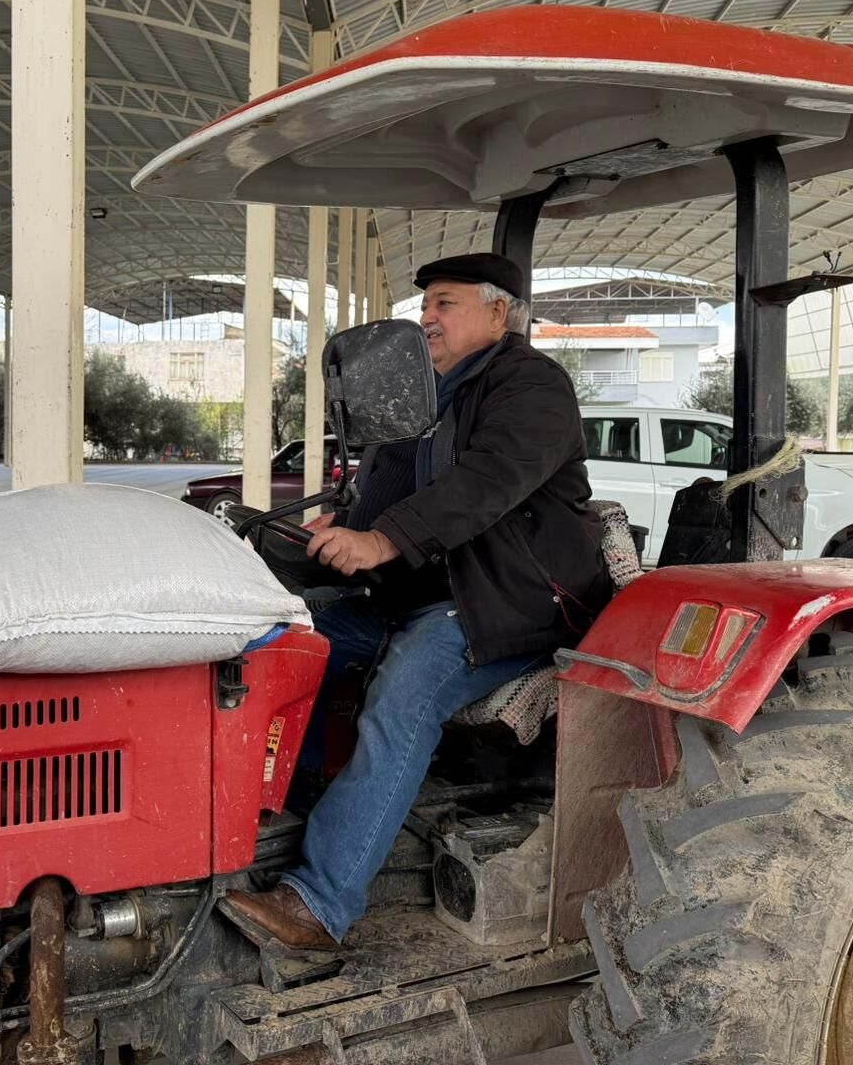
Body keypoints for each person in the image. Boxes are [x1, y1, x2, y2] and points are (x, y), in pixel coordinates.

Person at [222, 251, 613, 950]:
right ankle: (283, 812)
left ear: (499, 311)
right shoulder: (426, 393)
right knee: (291, 643)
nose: (426, 318)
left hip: (511, 599)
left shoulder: (532, 388)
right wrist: (346, 531)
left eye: (445, 303)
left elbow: (487, 483)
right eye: (425, 305)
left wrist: (383, 542)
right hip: (415, 594)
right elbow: (388, 492)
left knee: (404, 693)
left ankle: (318, 903)